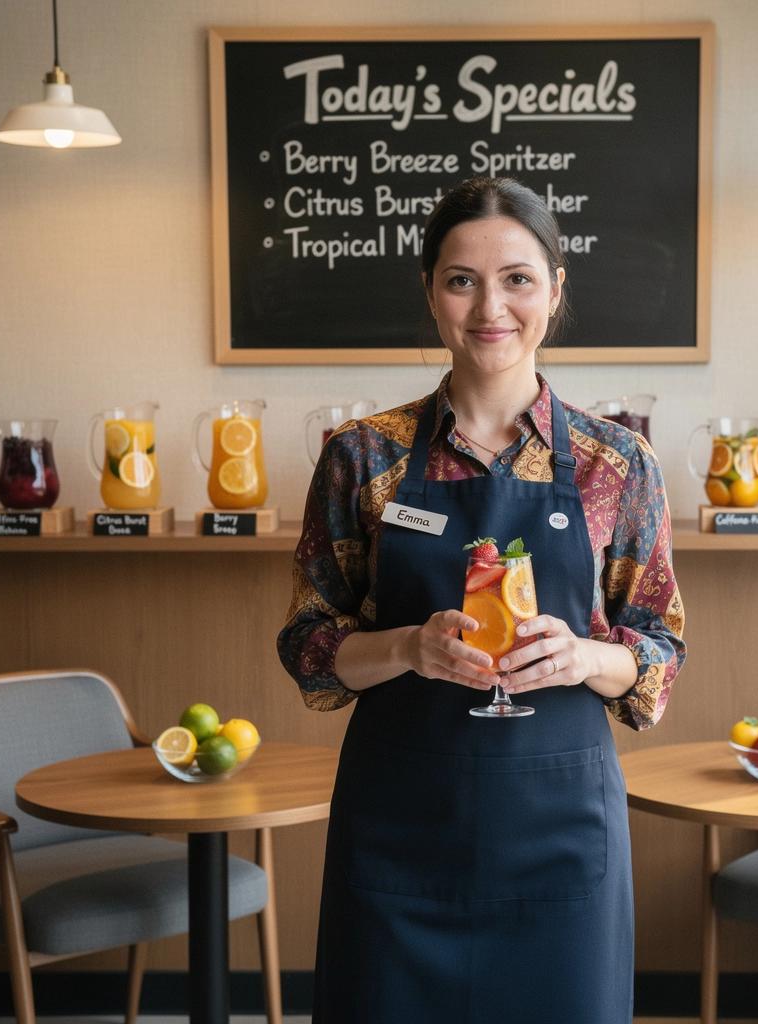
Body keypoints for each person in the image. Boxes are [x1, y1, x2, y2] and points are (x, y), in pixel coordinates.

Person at [277, 175, 686, 1024]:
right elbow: (311, 645)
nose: (489, 306)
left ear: (556, 289)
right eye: (462, 279)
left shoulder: (619, 465)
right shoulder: (362, 457)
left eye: (517, 279)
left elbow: (658, 652)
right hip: (400, 834)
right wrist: (406, 649)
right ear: (430, 291)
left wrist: (583, 655)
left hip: (562, 842)